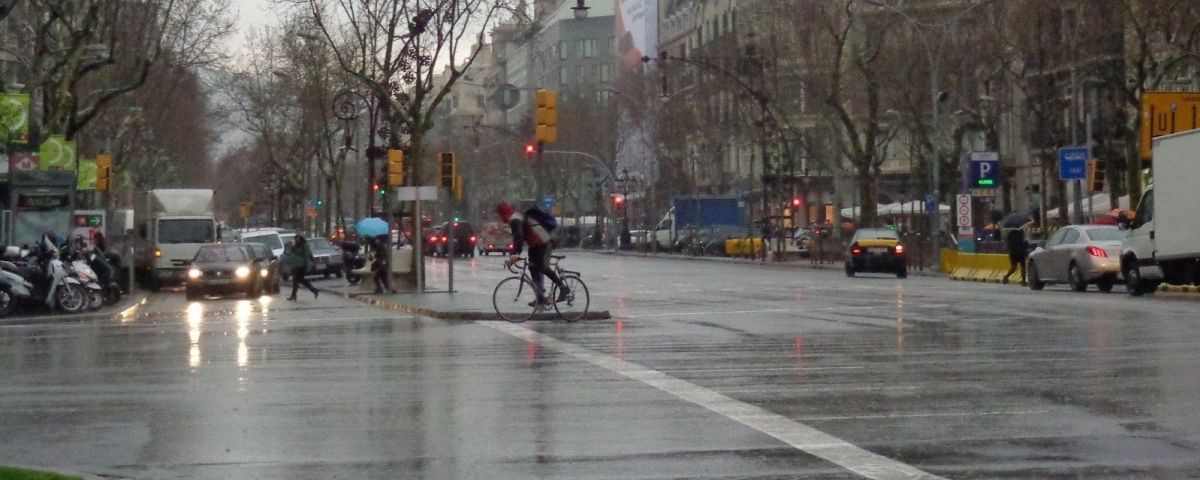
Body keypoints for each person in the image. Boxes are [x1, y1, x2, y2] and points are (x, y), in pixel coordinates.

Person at [497, 202, 568, 307]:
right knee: (532, 268)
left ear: (503, 213)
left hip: (544, 242)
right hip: (534, 245)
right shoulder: (515, 217)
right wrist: (514, 254)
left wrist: (516, 253)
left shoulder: (515, 219)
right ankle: (540, 297)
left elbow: (518, 237)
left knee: (542, 266)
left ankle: (563, 288)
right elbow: (518, 238)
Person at [287, 235, 319, 301]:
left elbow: (307, 256)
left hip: (301, 266)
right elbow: (292, 252)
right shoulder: (296, 246)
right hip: (295, 265)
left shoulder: (304, 246)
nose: (297, 240)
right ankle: (314, 290)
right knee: (299, 280)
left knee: (297, 280)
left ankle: (294, 295)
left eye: (298, 238)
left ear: (301, 238)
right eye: (296, 239)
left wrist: (307, 266)